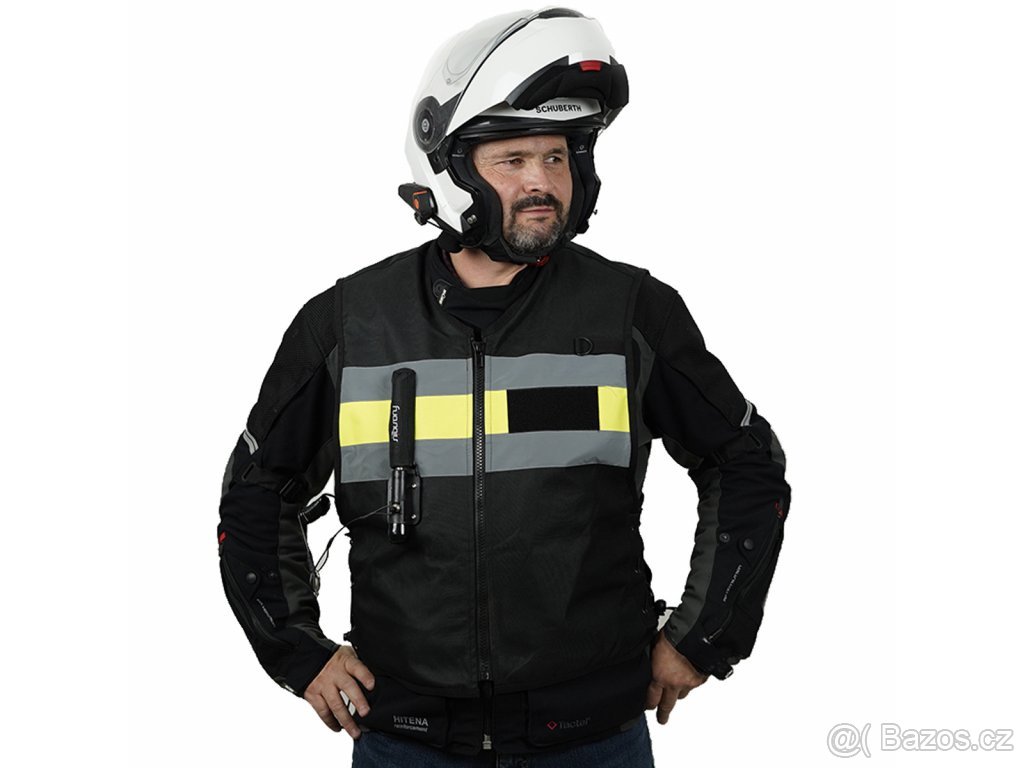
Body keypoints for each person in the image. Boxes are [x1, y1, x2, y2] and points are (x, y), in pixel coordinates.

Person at [217, 8, 791, 767]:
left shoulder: (631, 314)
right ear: (450, 169)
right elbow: (257, 492)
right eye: (513, 158)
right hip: (406, 739)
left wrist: (703, 638)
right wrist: (298, 652)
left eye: (556, 157)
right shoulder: (349, 325)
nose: (541, 182)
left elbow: (745, 462)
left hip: (593, 738)